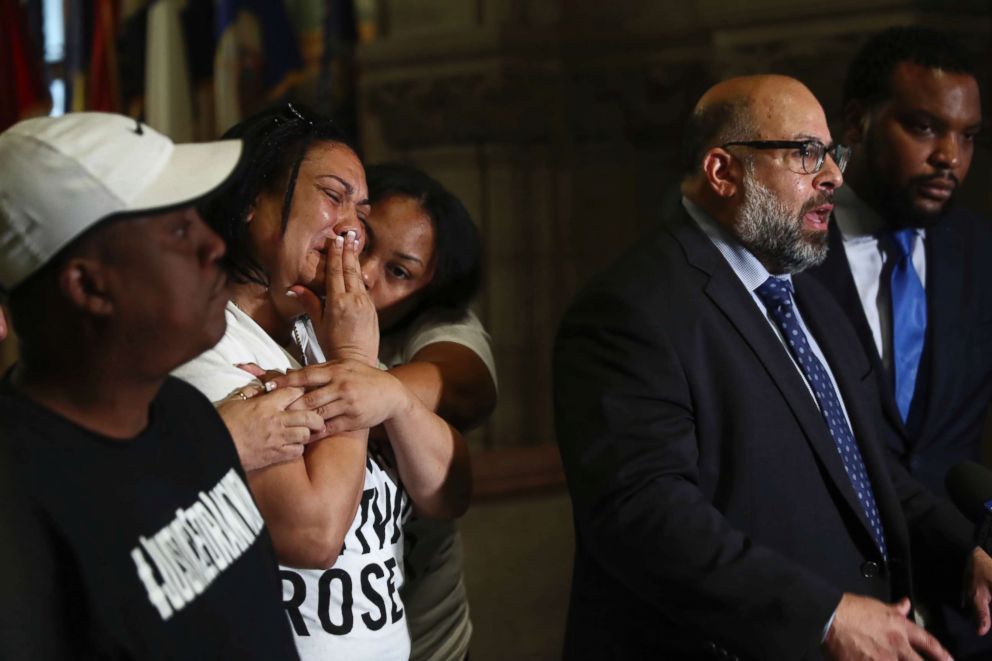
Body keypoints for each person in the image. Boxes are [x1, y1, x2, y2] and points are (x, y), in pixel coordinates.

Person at [553, 74, 992, 660]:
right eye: (806, 153)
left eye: (832, 153)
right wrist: (824, 617)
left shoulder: (806, 294)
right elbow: (643, 516)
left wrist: (964, 554)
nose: (834, 175)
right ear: (723, 171)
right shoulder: (631, 310)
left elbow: (866, 469)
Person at [173, 104, 471, 661]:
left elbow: (450, 491)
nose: (352, 229)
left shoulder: (319, 334)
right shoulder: (208, 346)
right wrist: (357, 364)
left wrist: (395, 403)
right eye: (333, 196)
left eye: (360, 210)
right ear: (250, 201)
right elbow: (315, 533)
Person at [0, 113, 298, 659]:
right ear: (89, 285)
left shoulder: (184, 410)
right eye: (179, 230)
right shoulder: (19, 510)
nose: (214, 245)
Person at [806, 28, 989, 655]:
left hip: (967, 609)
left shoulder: (980, 254)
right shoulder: (785, 260)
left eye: (967, 137)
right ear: (855, 124)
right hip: (830, 608)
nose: (951, 157)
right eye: (925, 127)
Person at [269, 162, 497, 661]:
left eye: (399, 272)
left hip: (427, 638)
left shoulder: (435, 325)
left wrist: (368, 382)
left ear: (430, 291)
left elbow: (464, 386)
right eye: (364, 243)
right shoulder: (288, 308)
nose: (366, 274)